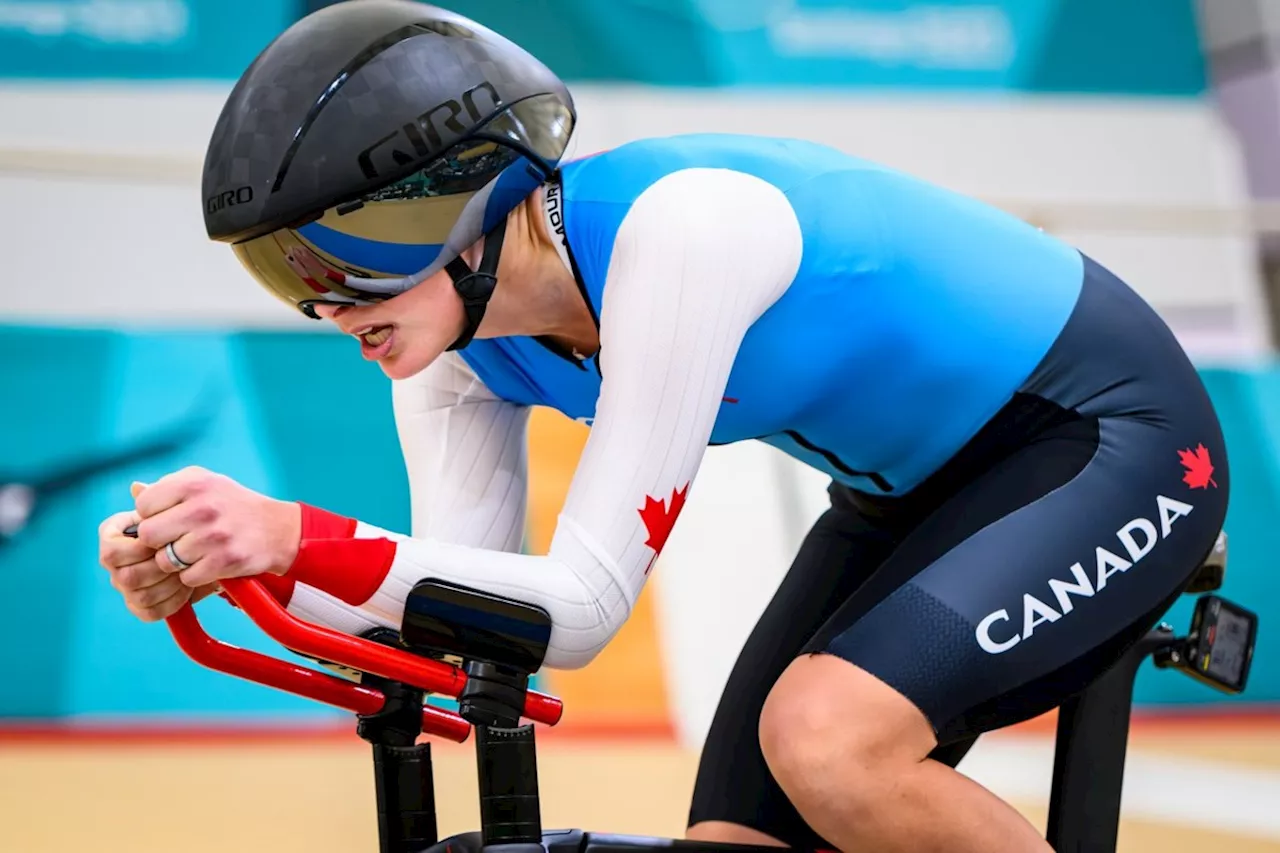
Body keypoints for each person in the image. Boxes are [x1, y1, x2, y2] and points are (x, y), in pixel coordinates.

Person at [97, 2, 1230, 851]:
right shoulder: (449, 348)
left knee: (826, 741)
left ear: (454, 199)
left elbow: (580, 611)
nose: (322, 307)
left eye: (339, 259)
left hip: (1107, 438)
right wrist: (229, 565)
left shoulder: (681, 231)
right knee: (732, 844)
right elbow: (471, 609)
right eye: (280, 274)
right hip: (912, 491)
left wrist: (292, 534)